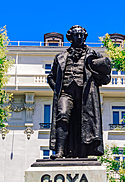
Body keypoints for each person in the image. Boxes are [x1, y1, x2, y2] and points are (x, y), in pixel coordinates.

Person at [47, 25, 111, 159]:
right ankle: (59, 152)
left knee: (84, 123)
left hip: (85, 95)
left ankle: (82, 153)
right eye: (76, 35)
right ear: (70, 37)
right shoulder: (60, 57)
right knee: (62, 115)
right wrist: (57, 90)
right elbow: (51, 77)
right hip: (66, 92)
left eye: (82, 35)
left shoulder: (94, 55)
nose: (79, 37)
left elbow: (105, 78)